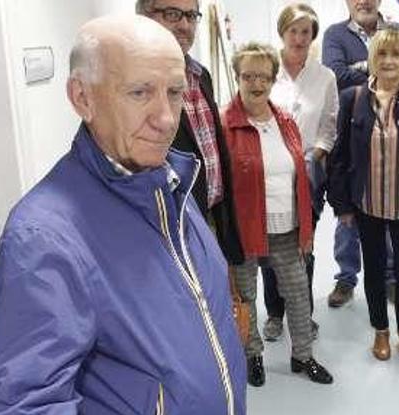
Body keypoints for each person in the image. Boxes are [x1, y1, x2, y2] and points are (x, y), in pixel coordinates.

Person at [0, 15, 258, 415]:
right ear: (82, 98)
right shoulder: (45, 237)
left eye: (176, 93)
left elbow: (206, 324)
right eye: (139, 93)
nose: (165, 117)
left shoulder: (173, 187)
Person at [328, 25, 399, 362]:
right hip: (368, 204)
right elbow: (341, 156)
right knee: (375, 272)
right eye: (383, 54)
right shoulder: (354, 98)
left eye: (397, 54)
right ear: (371, 59)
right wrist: (343, 205)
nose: (389, 61)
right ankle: (381, 330)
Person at [224, 42, 334, 386]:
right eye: (248, 76)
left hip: (286, 226)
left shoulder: (285, 120)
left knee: (298, 293)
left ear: (273, 80)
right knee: (247, 296)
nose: (256, 84)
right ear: (237, 77)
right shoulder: (224, 125)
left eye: (264, 77)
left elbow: (299, 176)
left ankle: (303, 356)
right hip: (244, 229)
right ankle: (252, 354)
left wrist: (306, 225)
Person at [140, 0, 245, 265]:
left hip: (209, 214)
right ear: (143, 14)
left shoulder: (200, 75)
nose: (184, 25)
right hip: (168, 227)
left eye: (191, 15)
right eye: (172, 14)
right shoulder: (135, 82)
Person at [260, 3, 339, 343]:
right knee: (270, 246)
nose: (299, 38)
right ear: (282, 33)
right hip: (269, 176)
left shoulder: (324, 77)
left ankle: (302, 314)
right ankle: (276, 314)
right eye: (293, 30)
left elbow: (329, 125)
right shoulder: (266, 70)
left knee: (301, 245)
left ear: (312, 36)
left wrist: (314, 156)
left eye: (306, 31)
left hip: (308, 173)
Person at [322, 0, 388, 307]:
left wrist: (358, 68)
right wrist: (381, 69)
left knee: (387, 208)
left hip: (391, 133)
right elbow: (335, 74)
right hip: (350, 130)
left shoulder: (397, 31)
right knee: (348, 214)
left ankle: (389, 277)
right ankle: (346, 279)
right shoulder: (335, 35)